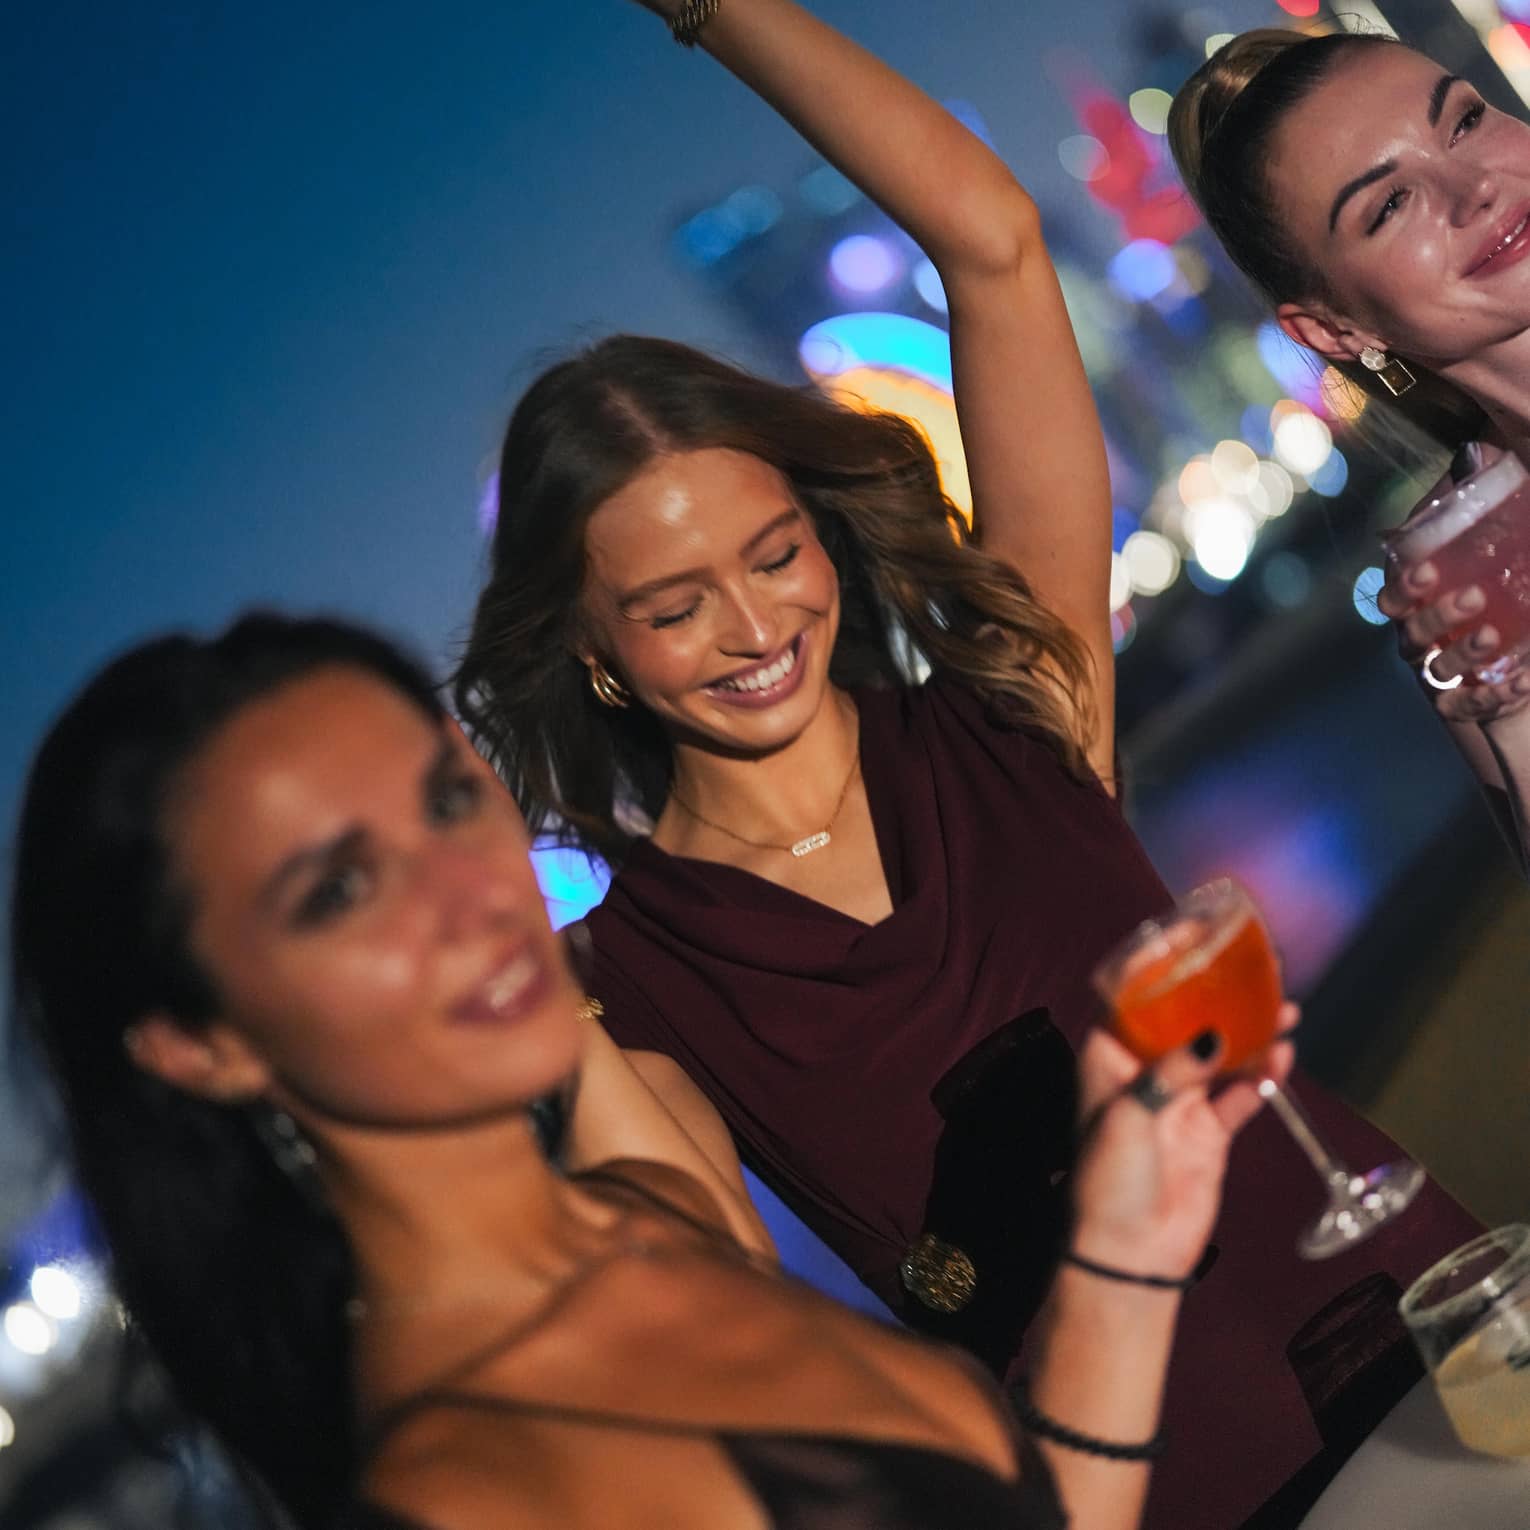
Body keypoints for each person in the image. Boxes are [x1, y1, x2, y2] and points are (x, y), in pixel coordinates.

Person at [453, 3, 1481, 1526]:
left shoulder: (1016, 713)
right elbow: (717, 1316)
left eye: (775, 551)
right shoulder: (631, 983)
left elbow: (991, 240)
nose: (754, 628)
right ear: (595, 652)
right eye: (675, 607)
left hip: (1440, 1341)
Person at [11, 610, 1286, 1530]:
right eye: (342, 888)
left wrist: (1128, 1237)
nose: (469, 898)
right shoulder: (463, 1493)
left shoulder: (652, 1217)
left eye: (450, 805)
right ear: (201, 1043)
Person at [1169, 27, 1530, 872]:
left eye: (1465, 121)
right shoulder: (1473, 583)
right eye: (1388, 205)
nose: (1471, 186)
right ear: (1335, 328)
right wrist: (1507, 711)